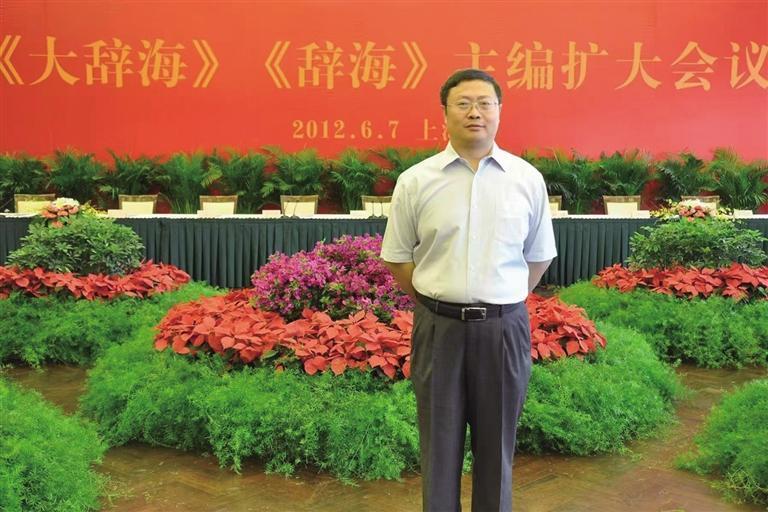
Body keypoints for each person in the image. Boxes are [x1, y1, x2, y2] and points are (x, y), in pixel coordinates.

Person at [380, 68, 557, 511]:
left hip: (503, 329)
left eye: (484, 103)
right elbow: (398, 256)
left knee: (496, 449)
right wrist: (437, 300)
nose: (474, 112)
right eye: (463, 104)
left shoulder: (526, 179)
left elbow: (538, 257)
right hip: (438, 328)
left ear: (499, 111)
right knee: (438, 447)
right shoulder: (416, 181)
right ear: (444, 113)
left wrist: (500, 298)